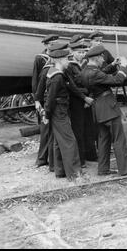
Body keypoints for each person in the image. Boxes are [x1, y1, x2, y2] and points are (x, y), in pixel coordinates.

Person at [81, 45, 127, 177]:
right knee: (118, 139)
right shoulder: (95, 73)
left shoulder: (86, 71)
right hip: (108, 108)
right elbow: (117, 80)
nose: (103, 60)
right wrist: (124, 67)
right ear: (97, 58)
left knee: (103, 140)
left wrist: (113, 65)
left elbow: (102, 74)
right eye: (102, 58)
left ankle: (103, 169)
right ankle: (124, 170)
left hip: (98, 109)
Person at [44, 49, 82, 181]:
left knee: (58, 141)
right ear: (60, 60)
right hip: (59, 111)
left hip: (57, 110)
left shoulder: (53, 73)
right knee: (69, 141)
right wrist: (47, 115)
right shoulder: (58, 77)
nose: (68, 61)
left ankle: (60, 171)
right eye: (67, 59)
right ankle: (74, 174)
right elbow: (51, 98)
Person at [34, 41, 65, 170]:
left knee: (51, 133)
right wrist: (38, 102)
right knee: (46, 132)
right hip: (47, 103)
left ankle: (51, 163)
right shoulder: (47, 68)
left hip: (49, 103)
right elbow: (38, 86)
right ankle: (41, 159)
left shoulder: (53, 68)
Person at [66, 40, 95, 168]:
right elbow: (71, 87)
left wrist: (90, 97)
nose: (82, 54)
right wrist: (84, 97)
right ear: (72, 52)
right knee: (78, 129)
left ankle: (91, 155)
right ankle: (81, 159)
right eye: (79, 52)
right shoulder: (69, 66)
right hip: (77, 101)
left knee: (89, 127)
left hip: (88, 100)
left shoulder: (85, 64)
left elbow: (92, 81)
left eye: (83, 52)